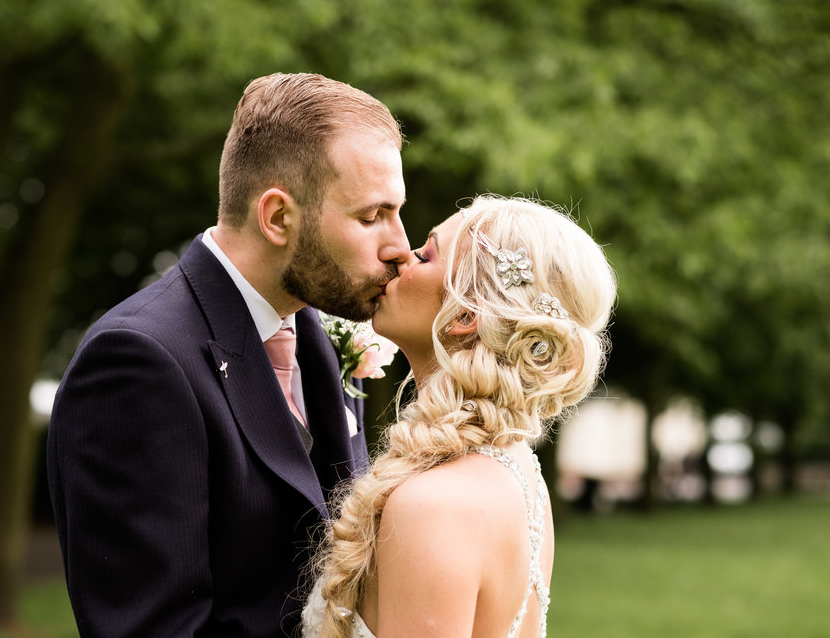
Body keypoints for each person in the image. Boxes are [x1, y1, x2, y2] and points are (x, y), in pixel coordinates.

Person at [47, 73, 411, 637]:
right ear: (277, 217)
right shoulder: (136, 363)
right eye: (371, 216)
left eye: (397, 211)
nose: (400, 247)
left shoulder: (318, 333)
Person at [302, 195, 617, 637]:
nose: (401, 256)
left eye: (426, 254)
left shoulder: (434, 505)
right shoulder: (520, 471)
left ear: (466, 314)